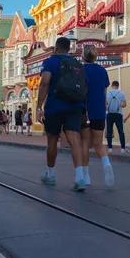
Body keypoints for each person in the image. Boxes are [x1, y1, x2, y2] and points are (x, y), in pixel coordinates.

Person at [36, 37, 87, 192]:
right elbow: (84, 87)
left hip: (55, 106)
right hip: (75, 106)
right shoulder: (78, 64)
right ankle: (79, 177)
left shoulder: (51, 61)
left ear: (56, 49)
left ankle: (50, 174)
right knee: (74, 140)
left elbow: (45, 82)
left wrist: (39, 107)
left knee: (52, 140)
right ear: (69, 49)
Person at [80, 45, 114, 187]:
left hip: (85, 110)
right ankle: (106, 163)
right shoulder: (102, 71)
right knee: (98, 143)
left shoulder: (80, 70)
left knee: (84, 144)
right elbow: (104, 92)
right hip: (99, 110)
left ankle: (86, 175)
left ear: (83, 56)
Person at [106, 81, 127, 153]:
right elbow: (124, 105)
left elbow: (105, 103)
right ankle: (123, 148)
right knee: (121, 131)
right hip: (118, 114)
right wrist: (119, 105)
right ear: (118, 86)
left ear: (112, 85)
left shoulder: (107, 93)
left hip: (109, 114)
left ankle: (110, 148)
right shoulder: (122, 93)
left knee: (109, 131)